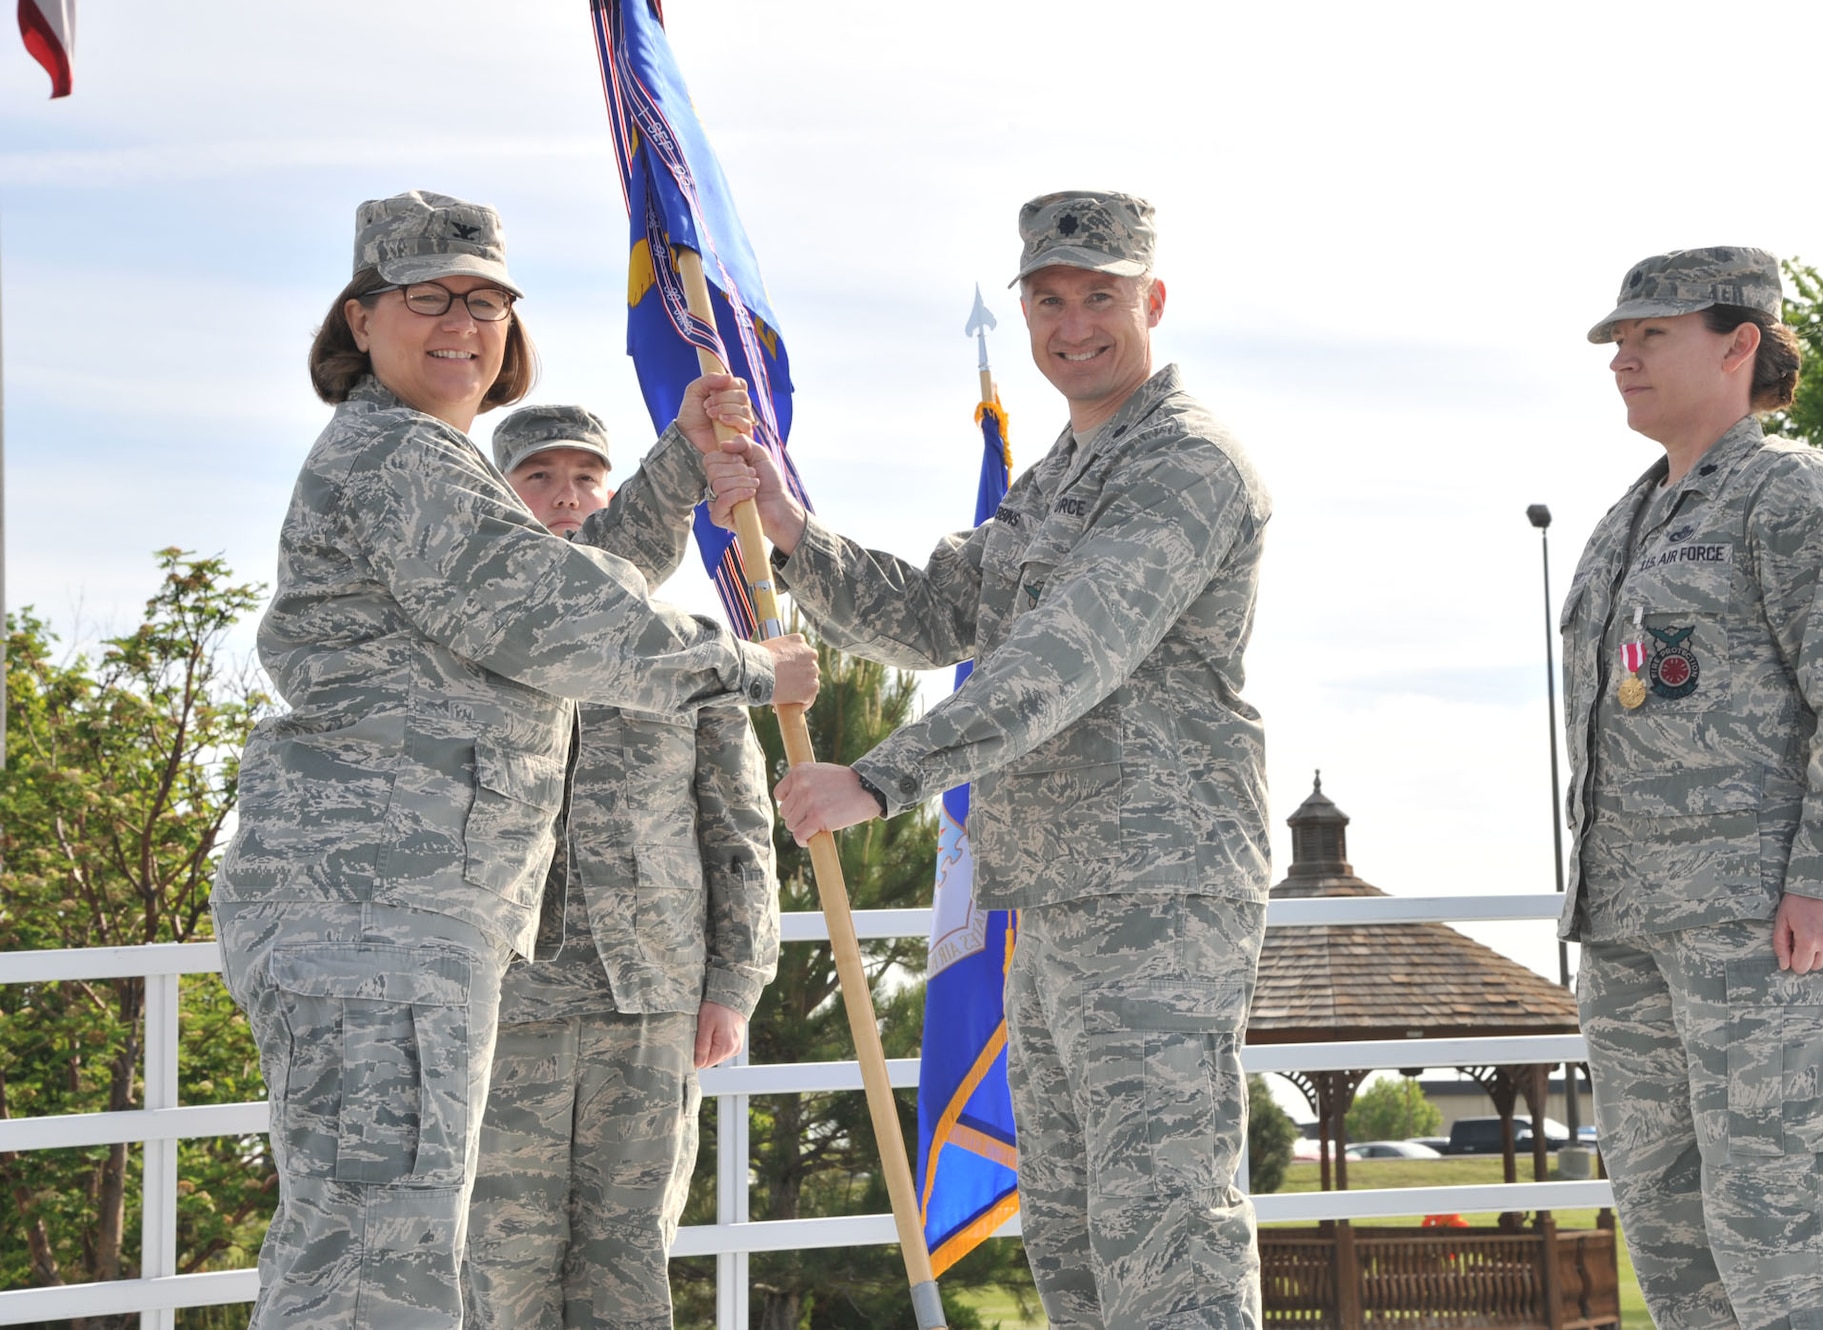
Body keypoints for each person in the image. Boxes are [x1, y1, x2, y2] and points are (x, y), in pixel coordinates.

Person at [210, 190, 817, 1330]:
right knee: (373, 1258)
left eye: (486, 301)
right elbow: (559, 617)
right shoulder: (398, 458)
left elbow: (572, 576)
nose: (462, 323)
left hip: (411, 911)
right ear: (359, 321)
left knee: (391, 1241)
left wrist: (683, 461)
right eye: (427, 297)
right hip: (374, 912)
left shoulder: (434, 464)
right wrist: (747, 666)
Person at [704, 190, 1272, 1328]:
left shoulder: (1184, 463)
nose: (1071, 325)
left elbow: (1069, 655)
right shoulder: (1058, 470)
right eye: (1047, 299)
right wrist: (792, 529)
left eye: (1098, 297)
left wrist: (877, 778)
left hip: (1155, 890)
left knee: (1162, 1220)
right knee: (1067, 1225)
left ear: (1150, 300)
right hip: (1054, 888)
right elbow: (933, 614)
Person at [1560, 247, 1823, 1330]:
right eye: (1616, 340)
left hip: (1762, 938)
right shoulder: (1622, 524)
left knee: (1783, 1253)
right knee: (1676, 1254)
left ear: (1737, 344)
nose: (1621, 356)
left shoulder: (1790, 491)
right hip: (1631, 934)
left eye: (1648, 334)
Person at [462, 405, 778, 1330]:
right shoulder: (474, 635)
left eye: (586, 480)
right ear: (500, 496)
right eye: (540, 479)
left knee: (629, 1269)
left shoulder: (694, 651)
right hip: (507, 1004)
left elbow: (737, 828)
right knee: (501, 1269)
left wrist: (735, 980)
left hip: (654, 1000)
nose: (568, 499)